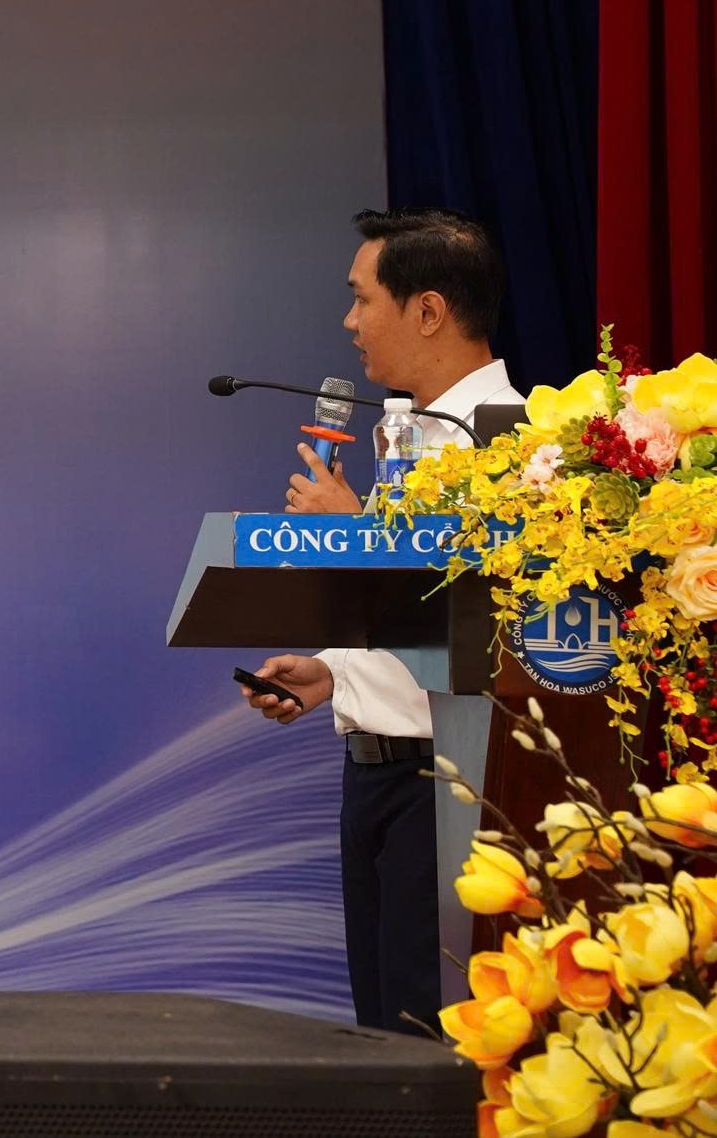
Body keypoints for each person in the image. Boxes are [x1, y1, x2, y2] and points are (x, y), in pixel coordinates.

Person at [238, 207, 521, 1036]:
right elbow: (407, 616)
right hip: (374, 779)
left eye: (363, 299)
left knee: (430, 1039)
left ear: (428, 310)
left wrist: (356, 526)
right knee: (382, 1034)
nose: (349, 321)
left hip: (449, 785)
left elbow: (482, 624)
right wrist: (333, 672)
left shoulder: (510, 439)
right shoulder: (407, 430)